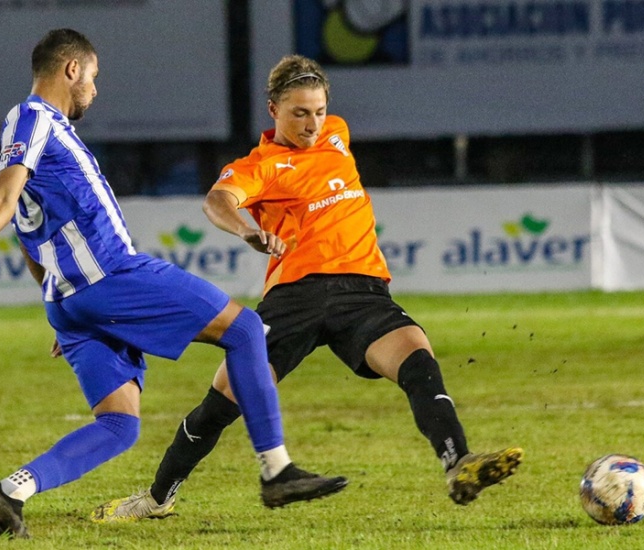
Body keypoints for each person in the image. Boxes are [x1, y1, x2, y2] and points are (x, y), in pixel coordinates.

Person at [0, 32, 347, 539]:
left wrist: (61, 301)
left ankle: (11, 491)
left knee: (119, 425)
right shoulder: (34, 118)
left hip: (71, 300)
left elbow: (28, 228)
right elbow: (3, 196)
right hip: (112, 275)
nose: (95, 88)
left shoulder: (33, 134)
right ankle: (276, 470)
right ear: (70, 70)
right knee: (245, 330)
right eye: (93, 76)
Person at [91, 54, 523, 522]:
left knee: (417, 358)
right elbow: (217, 201)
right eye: (299, 113)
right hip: (297, 294)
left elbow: (324, 135)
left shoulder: (337, 132)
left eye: (318, 110)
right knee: (221, 403)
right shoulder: (261, 166)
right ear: (273, 109)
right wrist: (247, 231)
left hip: (363, 291)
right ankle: (156, 499)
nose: (312, 123)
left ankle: (458, 463)